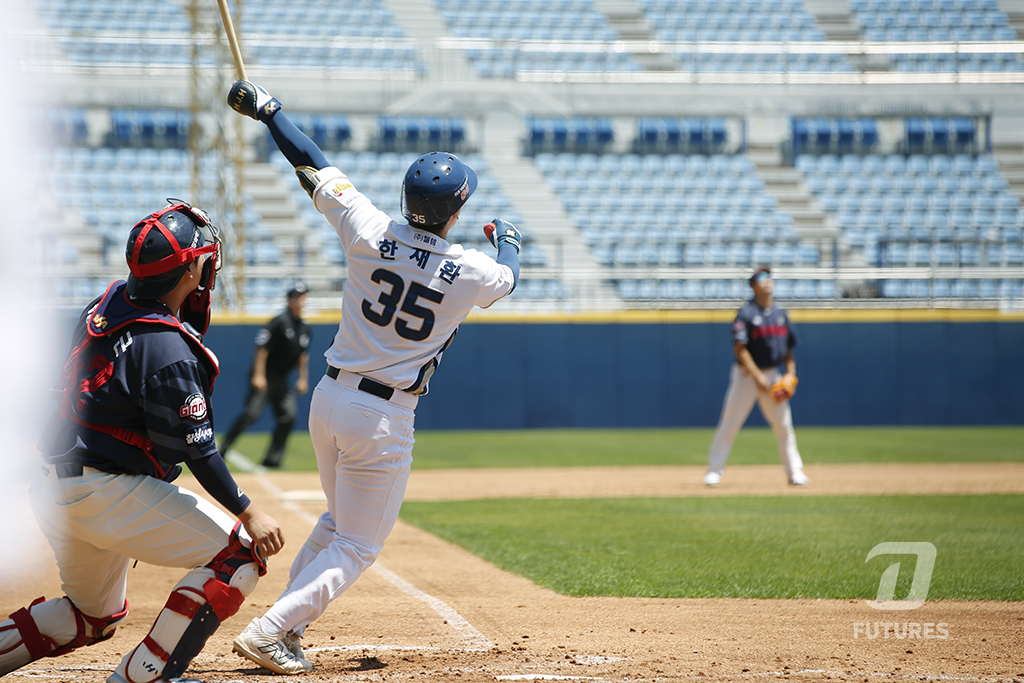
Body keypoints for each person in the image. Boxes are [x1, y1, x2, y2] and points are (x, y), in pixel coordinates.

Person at [225, 79, 522, 675]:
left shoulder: (367, 228)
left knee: (339, 523)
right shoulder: (469, 271)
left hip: (330, 398)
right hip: (383, 417)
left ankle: (288, 625)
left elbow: (310, 160)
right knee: (358, 544)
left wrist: (269, 112)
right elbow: (508, 275)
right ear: (456, 211)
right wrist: (509, 242)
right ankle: (271, 629)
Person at [0, 201, 285, 683]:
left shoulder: (105, 302)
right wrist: (249, 512)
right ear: (189, 269)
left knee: (92, 614)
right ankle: (145, 677)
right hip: (104, 490)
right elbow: (199, 452)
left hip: (55, 484)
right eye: (202, 257)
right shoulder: (168, 348)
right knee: (238, 556)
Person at [703, 265, 809, 487]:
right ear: (752, 285)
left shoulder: (781, 313)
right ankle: (714, 471)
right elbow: (740, 350)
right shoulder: (746, 314)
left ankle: (794, 472)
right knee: (730, 423)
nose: (767, 281)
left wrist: (791, 375)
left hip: (773, 375)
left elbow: (789, 349)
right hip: (746, 376)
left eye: (769, 277)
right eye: (761, 278)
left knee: (784, 426)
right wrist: (758, 376)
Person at [218, 282, 312, 468]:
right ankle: (222, 450)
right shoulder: (279, 322)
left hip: (282, 379)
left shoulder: (305, 327)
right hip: (266, 375)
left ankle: (272, 459)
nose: (302, 299)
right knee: (251, 414)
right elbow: (262, 349)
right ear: (289, 300)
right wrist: (258, 375)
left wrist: (303, 378)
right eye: (298, 296)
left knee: (289, 417)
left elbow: (303, 355)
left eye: (303, 296)